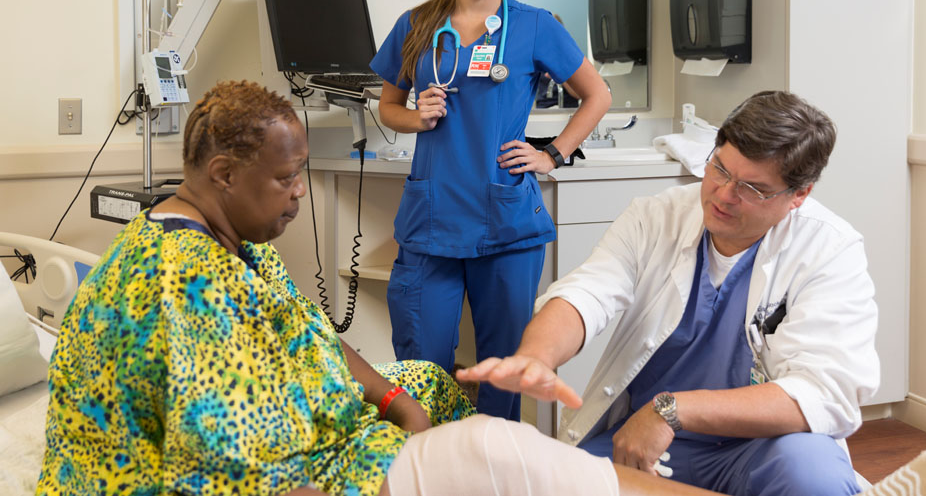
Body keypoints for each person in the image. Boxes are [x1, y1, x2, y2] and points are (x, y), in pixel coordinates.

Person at [35, 80, 741, 496]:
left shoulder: (229, 241)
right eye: (285, 181)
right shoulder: (177, 285)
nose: (296, 199)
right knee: (498, 457)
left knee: (429, 382)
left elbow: (310, 334)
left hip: (297, 428)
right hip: (248, 470)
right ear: (222, 174)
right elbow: (226, 463)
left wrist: (400, 404)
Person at [459, 90, 883, 495]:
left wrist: (672, 410)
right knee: (562, 485)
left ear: (799, 195)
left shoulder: (829, 249)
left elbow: (826, 392)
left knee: (812, 476)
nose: (723, 195)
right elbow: (588, 292)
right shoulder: (655, 216)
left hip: (763, 446)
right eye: (720, 168)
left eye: (752, 189)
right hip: (642, 442)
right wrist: (537, 356)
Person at [369, 0, 611, 421]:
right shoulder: (416, 25)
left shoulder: (535, 26)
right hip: (432, 220)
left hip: (504, 222)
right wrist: (417, 118)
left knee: (504, 371)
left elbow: (597, 95)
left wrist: (553, 155)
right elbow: (388, 107)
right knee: (420, 369)